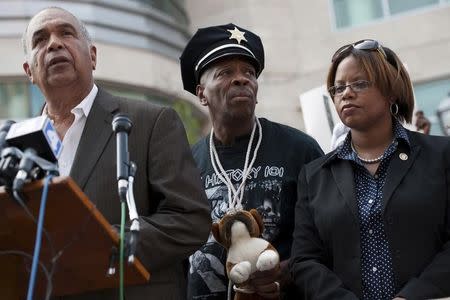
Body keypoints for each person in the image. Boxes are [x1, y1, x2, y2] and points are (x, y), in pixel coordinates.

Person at [22, 7, 211, 299]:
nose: (54, 44)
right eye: (40, 39)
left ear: (93, 56)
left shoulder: (152, 121)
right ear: (29, 72)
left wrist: (106, 244)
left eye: (66, 33)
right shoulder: (17, 148)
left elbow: (191, 220)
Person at [289, 39, 450, 299]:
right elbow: (305, 260)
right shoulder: (315, 175)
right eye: (338, 88)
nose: (346, 93)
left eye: (360, 84)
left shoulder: (441, 155)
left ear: (391, 92)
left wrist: (412, 296)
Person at [179, 23, 323, 299]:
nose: (241, 79)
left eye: (249, 72)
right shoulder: (184, 162)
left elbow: (328, 240)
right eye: (225, 73)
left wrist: (283, 273)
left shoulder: (299, 149)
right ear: (201, 93)